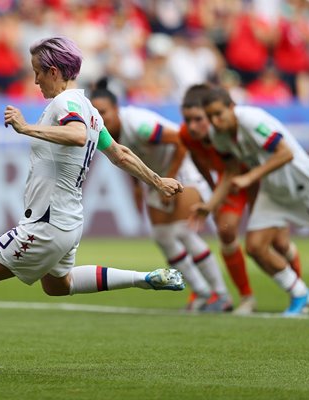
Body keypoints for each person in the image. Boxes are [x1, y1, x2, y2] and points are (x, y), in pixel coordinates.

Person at [0, 36, 185, 375]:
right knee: (58, 285)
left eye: (37, 73)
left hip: (44, 224)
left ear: (54, 71)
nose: (35, 81)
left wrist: (27, 127)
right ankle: (143, 278)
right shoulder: (91, 111)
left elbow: (74, 136)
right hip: (69, 223)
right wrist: (157, 180)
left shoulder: (66, 106)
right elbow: (119, 153)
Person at [193, 86, 309, 316]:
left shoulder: (252, 121)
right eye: (210, 116)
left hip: (305, 186)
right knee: (255, 246)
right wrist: (210, 205)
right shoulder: (217, 136)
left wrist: (251, 176)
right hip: (274, 192)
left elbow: (285, 153)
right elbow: (231, 171)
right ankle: (300, 293)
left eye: (218, 114)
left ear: (232, 107)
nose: (215, 121)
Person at [91, 79, 232, 312]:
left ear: (117, 109)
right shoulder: (105, 133)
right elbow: (125, 160)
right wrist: (139, 188)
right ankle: (202, 292)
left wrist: (170, 180)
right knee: (161, 236)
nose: (101, 118)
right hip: (156, 177)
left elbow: (179, 141)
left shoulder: (138, 125)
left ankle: (221, 294)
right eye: (97, 114)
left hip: (180, 170)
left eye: (104, 112)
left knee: (182, 232)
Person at [179, 83, 303, 314]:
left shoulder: (229, 128)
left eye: (198, 119)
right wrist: (212, 191)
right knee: (226, 232)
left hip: (260, 181)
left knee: (278, 243)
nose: (193, 126)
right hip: (232, 183)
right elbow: (200, 161)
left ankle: (298, 288)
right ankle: (247, 297)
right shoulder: (186, 135)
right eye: (188, 120)